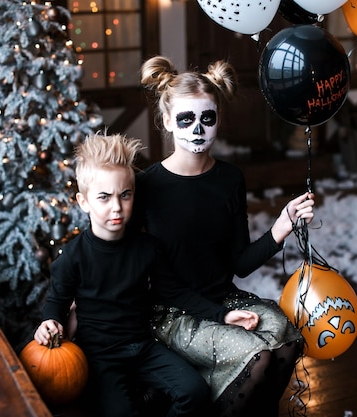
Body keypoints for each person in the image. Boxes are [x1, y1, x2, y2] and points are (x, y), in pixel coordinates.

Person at [136, 56, 316, 417]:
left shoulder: (230, 179)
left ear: (218, 119)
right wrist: (221, 317)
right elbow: (164, 285)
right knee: (256, 355)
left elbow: (239, 263)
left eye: (207, 117)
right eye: (186, 119)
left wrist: (281, 226)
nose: (197, 128)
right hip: (172, 312)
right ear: (168, 121)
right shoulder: (147, 187)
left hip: (224, 296)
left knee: (287, 336)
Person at [33, 133, 212, 417]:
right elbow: (57, 301)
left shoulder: (146, 248)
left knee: (195, 392)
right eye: (104, 197)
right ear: (83, 201)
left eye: (124, 195)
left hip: (143, 348)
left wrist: (223, 315)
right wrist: (49, 321)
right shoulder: (72, 257)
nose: (116, 207)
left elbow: (174, 292)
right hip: (100, 357)